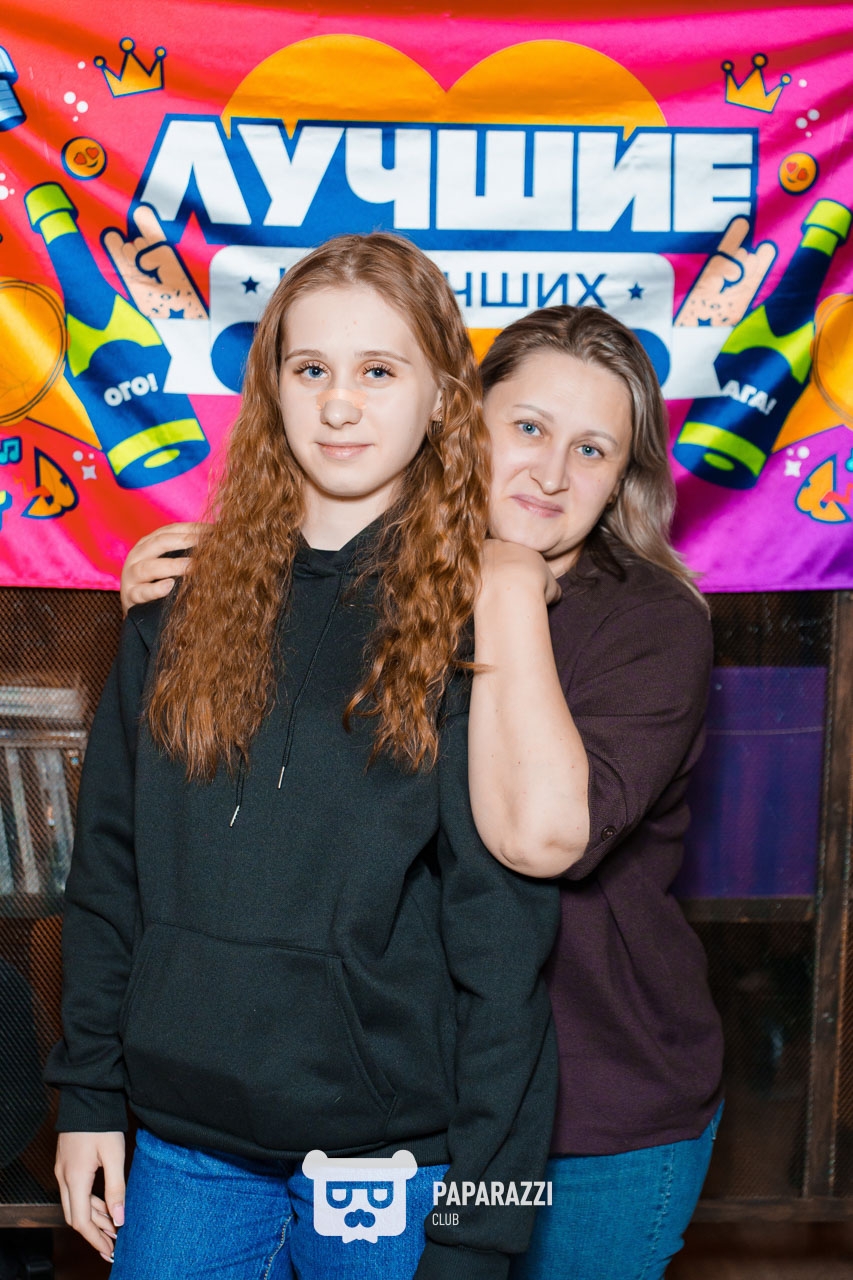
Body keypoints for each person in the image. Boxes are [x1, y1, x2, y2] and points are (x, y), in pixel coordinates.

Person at [125, 301, 725, 1279]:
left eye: (591, 450)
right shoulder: (378, 577)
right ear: (462, 424)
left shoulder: (650, 621)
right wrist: (182, 613)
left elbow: (541, 838)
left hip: (594, 1117)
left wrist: (505, 580)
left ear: (623, 479)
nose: (550, 472)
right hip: (408, 1100)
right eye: (526, 427)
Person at [46, 233, 561, 1280]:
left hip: (394, 1163)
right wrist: (87, 1096)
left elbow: (505, 952)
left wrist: (483, 1224)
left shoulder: (475, 625)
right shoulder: (170, 608)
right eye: (311, 367)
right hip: (184, 1148)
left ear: (439, 400)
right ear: (271, 389)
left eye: (378, 372)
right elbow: (107, 872)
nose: (338, 404)